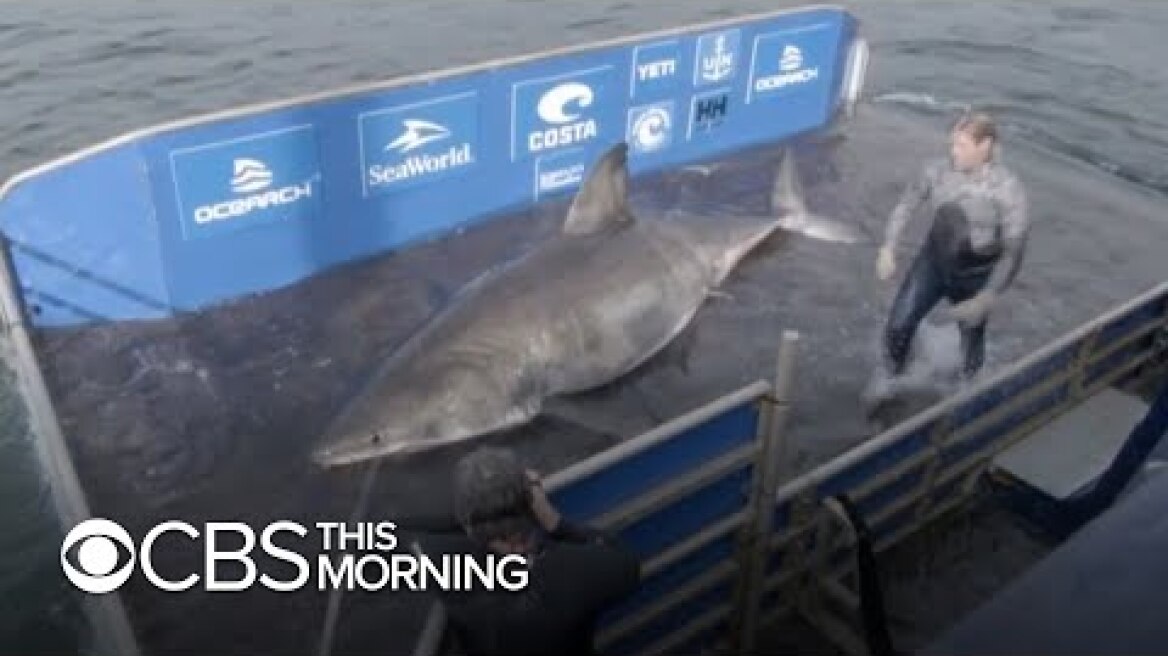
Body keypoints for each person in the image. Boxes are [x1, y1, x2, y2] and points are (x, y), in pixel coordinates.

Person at [865, 111, 1031, 411]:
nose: (953, 152)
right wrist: (888, 248)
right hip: (933, 264)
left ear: (985, 146)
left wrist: (987, 297)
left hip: (975, 275)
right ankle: (890, 384)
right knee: (898, 326)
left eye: (962, 146)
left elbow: (1014, 252)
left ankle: (969, 391)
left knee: (971, 341)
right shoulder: (936, 171)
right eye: (952, 144)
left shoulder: (1008, 189)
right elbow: (905, 206)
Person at [418, 446, 642, 656]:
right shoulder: (573, 571)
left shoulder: (453, 577)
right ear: (532, 505)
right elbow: (625, 562)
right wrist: (552, 519)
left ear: (467, 526)